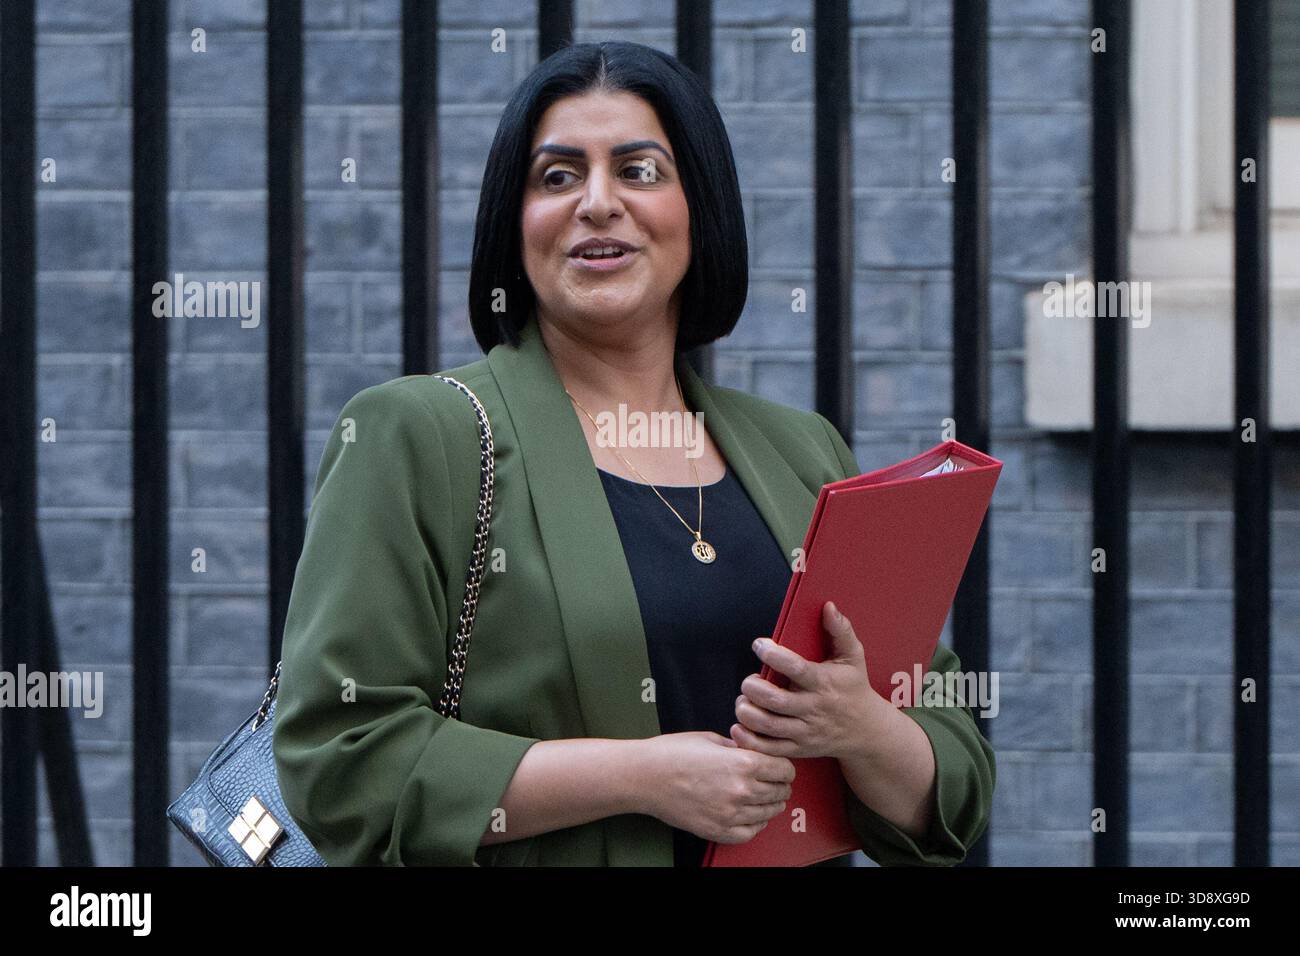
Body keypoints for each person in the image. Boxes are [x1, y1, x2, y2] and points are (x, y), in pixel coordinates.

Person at [272, 40, 994, 867]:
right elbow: (339, 759)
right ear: (516, 222)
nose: (597, 203)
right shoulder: (417, 437)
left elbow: (952, 781)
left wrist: (864, 728)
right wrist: (640, 777)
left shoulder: (802, 452)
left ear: (700, 209)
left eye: (640, 170)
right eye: (557, 176)